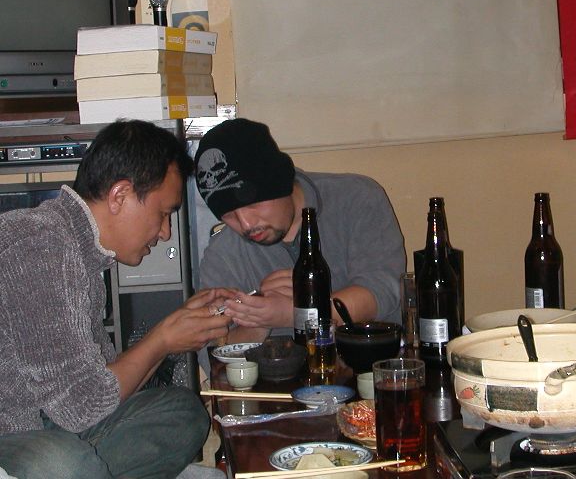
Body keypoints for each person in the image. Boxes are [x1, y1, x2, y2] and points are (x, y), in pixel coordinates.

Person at [0, 120, 235, 479]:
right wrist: (162, 340)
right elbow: (81, 407)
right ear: (120, 196)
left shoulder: (81, 250)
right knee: (64, 464)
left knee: (184, 413)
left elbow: (105, 391)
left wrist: (173, 329)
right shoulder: (41, 244)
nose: (165, 232)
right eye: (163, 213)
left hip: (53, 423)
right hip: (12, 431)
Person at [195, 118, 405, 346]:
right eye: (229, 215)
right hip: (276, 370)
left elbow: (382, 291)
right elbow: (214, 348)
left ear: (282, 182)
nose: (246, 224)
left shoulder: (356, 199)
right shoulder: (223, 254)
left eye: (253, 204)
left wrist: (295, 313)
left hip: (371, 360)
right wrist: (258, 319)